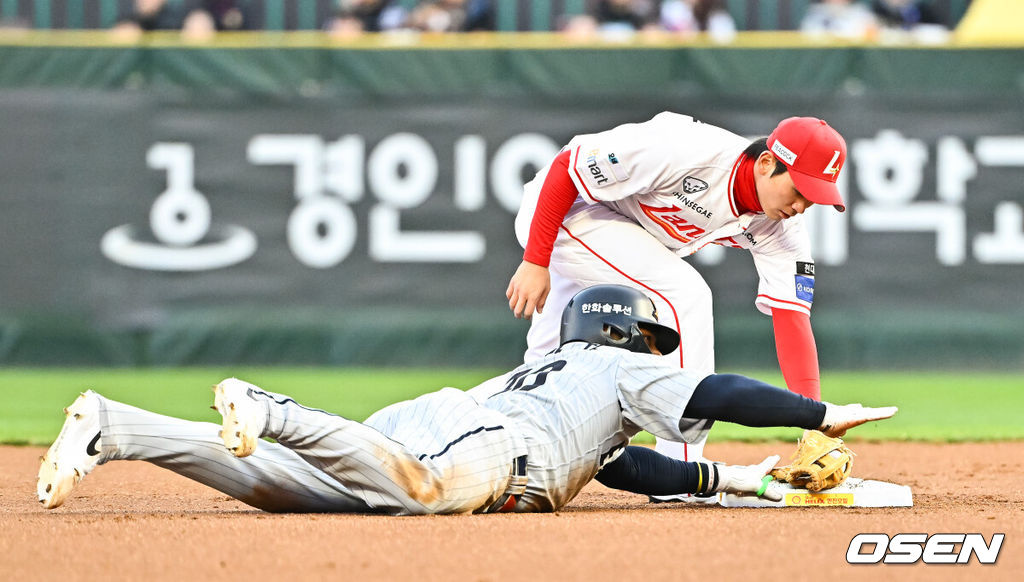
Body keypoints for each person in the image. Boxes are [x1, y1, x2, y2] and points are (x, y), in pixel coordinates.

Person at [37, 285, 896, 514]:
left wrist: (744, 480)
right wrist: (818, 415)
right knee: (426, 497)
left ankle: (116, 428)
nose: (656, 351)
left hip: (439, 419)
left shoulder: (575, 385)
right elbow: (719, 391)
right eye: (650, 337)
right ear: (621, 332)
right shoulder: (616, 365)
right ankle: (272, 409)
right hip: (488, 444)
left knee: (297, 493)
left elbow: (619, 468)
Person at [504, 112, 849, 501]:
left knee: (547, 358)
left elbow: (792, 319)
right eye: (799, 189)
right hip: (564, 210)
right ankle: (682, 467)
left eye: (814, 197)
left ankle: (512, 450)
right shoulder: (684, 149)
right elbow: (569, 167)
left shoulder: (782, 230)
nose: (802, 205)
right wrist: (535, 261)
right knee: (685, 294)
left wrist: (815, 422)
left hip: (621, 232)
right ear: (767, 163)